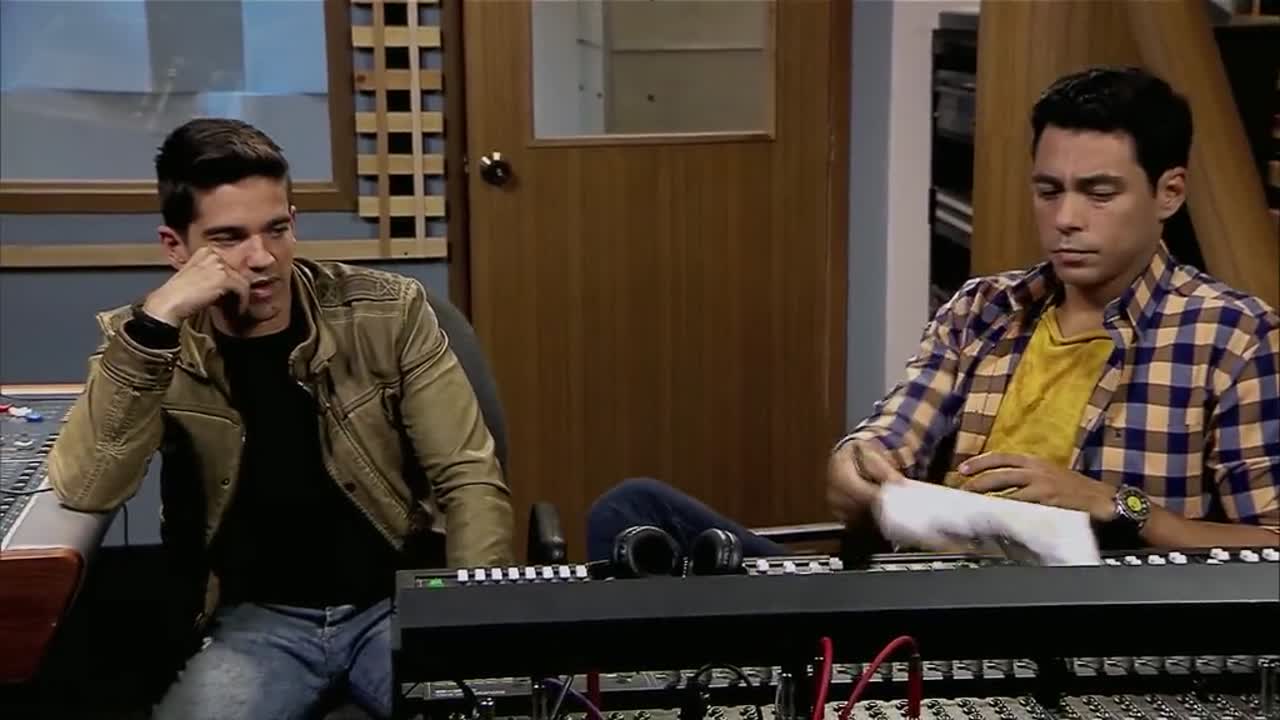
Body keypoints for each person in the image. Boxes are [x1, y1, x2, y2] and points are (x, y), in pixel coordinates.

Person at [587, 66, 1279, 562]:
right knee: (632, 510)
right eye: (1048, 191)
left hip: (1084, 630)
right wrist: (857, 465)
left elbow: (1271, 546)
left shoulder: (1234, 338)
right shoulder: (983, 309)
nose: (1066, 219)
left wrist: (1117, 507)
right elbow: (889, 436)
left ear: (1169, 193)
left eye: (1098, 193)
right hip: (922, 601)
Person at [47, 118, 514, 720]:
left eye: (277, 229)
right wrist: (155, 328)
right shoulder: (146, 341)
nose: (262, 258)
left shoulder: (388, 312)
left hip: (395, 602)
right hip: (257, 623)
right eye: (228, 238)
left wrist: (471, 621)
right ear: (176, 248)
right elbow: (87, 488)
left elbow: (468, 476)